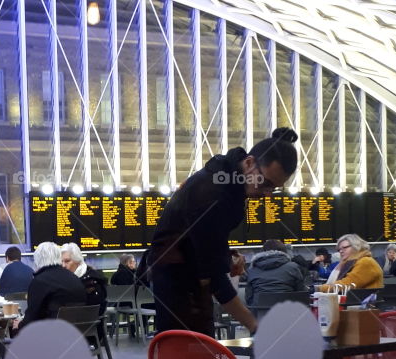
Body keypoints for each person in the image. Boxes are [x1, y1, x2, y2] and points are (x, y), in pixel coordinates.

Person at [145, 127, 299, 336]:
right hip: (177, 283)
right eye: (265, 183)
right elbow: (215, 278)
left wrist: (226, 257)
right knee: (188, 357)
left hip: (186, 275)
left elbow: (202, 240)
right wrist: (254, 326)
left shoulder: (227, 177)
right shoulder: (213, 194)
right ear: (249, 163)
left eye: (275, 188)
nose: (268, 194)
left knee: (198, 358)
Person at [17, 242, 87, 330]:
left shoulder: (39, 281)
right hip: (77, 333)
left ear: (37, 260)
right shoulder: (74, 278)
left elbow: (32, 316)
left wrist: (19, 325)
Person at [243, 239, 307, 307]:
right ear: (285, 252)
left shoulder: (252, 270)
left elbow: (249, 298)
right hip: (288, 313)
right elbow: (302, 294)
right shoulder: (293, 267)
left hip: (260, 314)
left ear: (262, 252)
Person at [61, 243, 108, 311]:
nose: (63, 265)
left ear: (78, 261)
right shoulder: (62, 279)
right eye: (61, 261)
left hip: (87, 320)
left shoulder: (94, 281)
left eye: (67, 261)